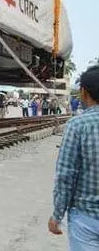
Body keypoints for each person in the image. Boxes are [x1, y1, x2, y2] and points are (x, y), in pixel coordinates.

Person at [49, 65, 99, 248]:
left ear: (84, 92)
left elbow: (65, 175)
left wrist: (57, 215)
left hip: (85, 217)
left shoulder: (77, 125)